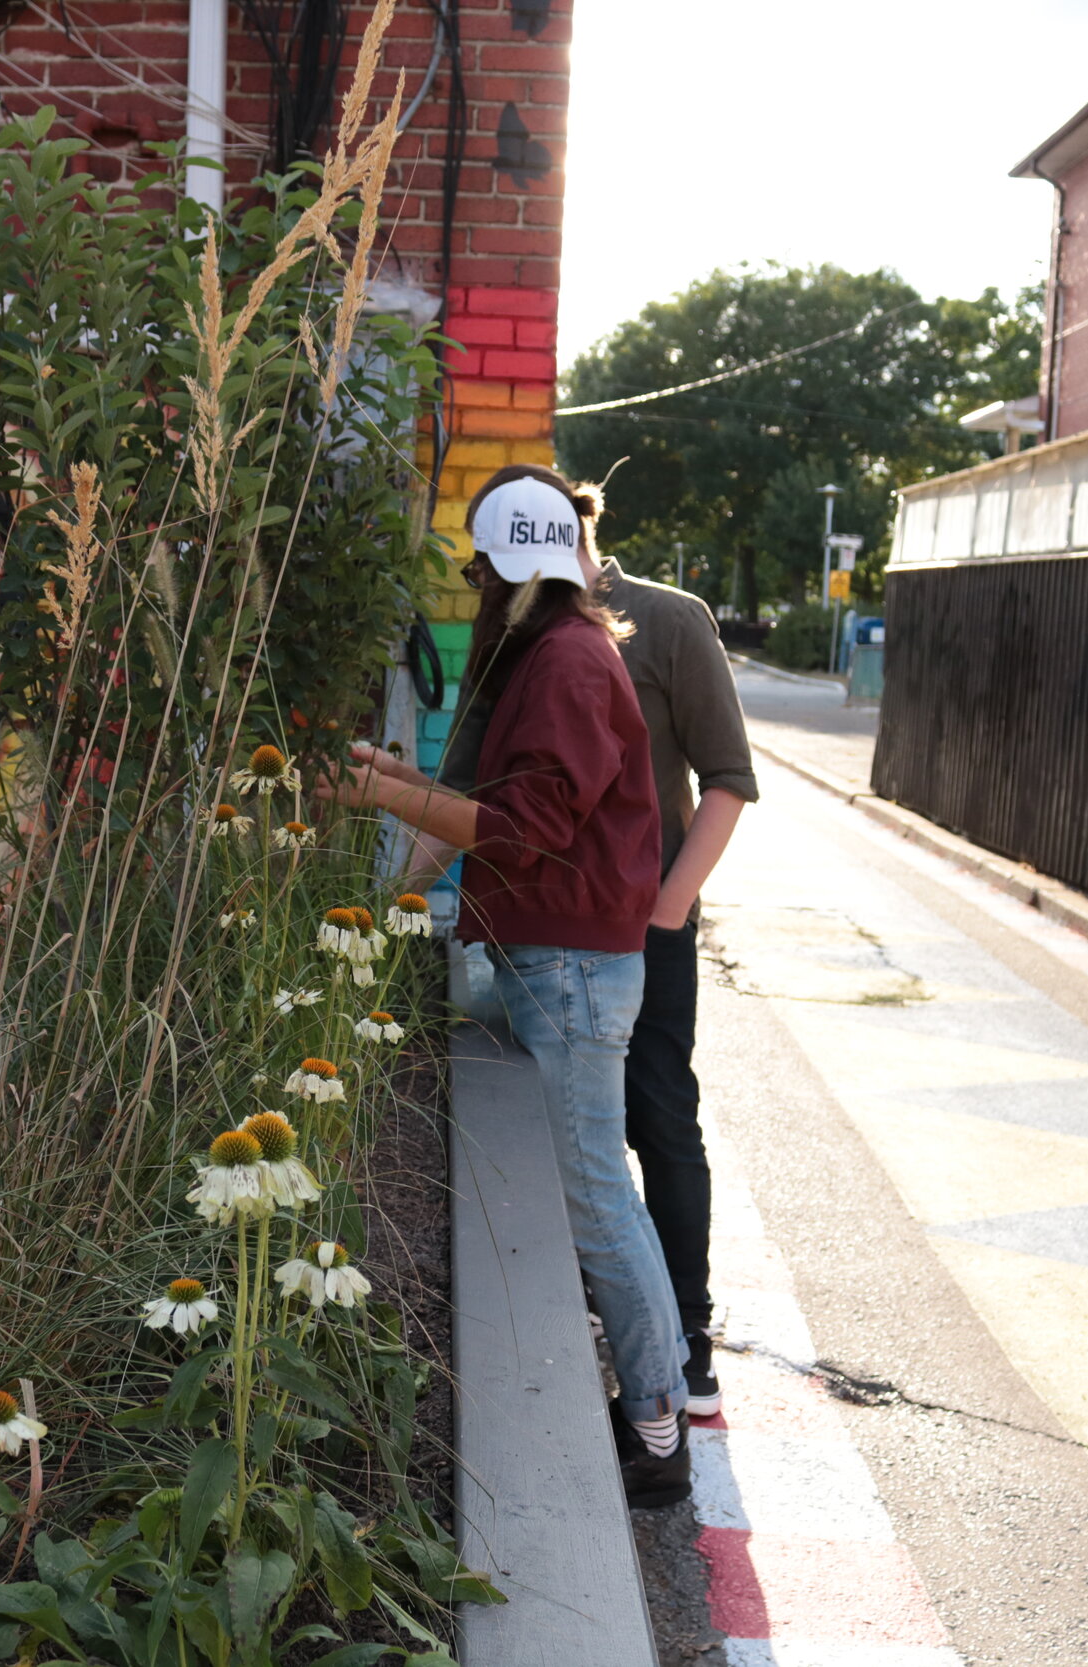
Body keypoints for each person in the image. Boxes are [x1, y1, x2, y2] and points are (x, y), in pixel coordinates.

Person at [318, 466, 693, 1508]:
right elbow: (511, 809)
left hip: (571, 970)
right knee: (595, 1188)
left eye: (482, 566)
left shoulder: (566, 665)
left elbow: (527, 834)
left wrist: (379, 791)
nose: (475, 582)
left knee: (598, 1196)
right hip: (552, 956)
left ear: (510, 569)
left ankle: (659, 1425)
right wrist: (386, 781)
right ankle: (652, 1394)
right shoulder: (557, 649)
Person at [432, 466, 757, 1419]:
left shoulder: (648, 624)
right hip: (572, 928)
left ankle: (678, 1367)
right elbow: (466, 798)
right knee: (595, 1161)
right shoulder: (527, 638)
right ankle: (645, 1356)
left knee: (651, 1132)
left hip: (626, 924)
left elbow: (726, 780)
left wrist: (662, 912)